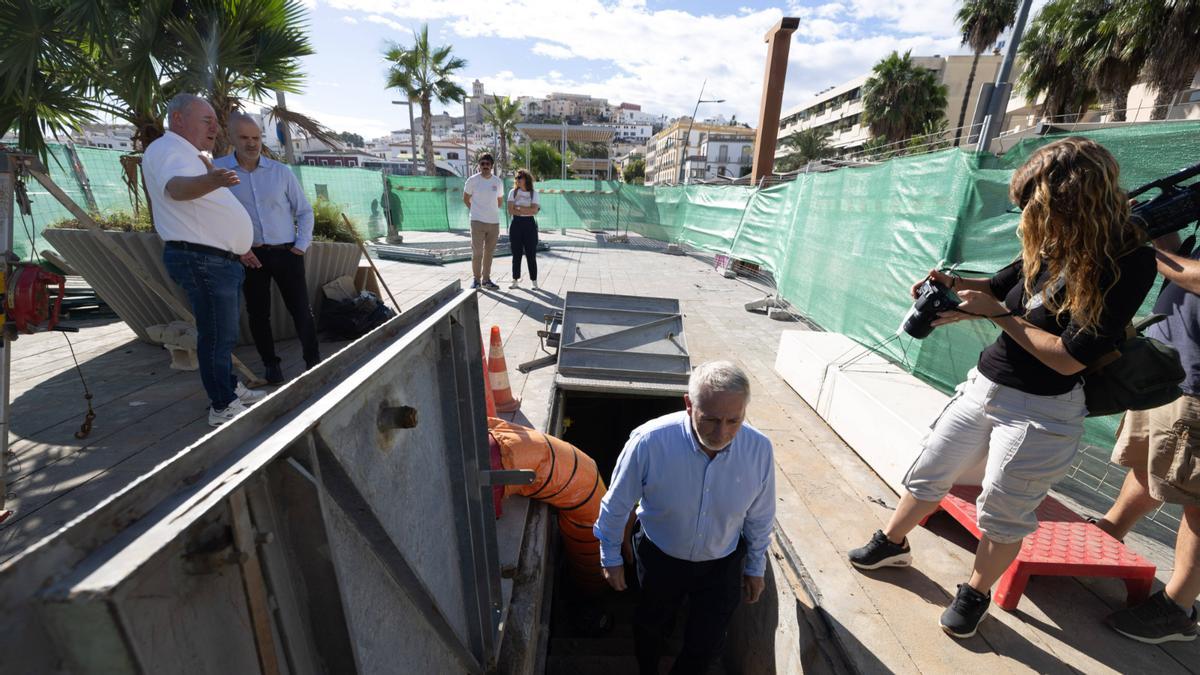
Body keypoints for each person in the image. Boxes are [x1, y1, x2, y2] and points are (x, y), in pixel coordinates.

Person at [847, 137, 1157, 639]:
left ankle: (975, 592)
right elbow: (998, 288)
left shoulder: (1127, 262)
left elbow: (1069, 357)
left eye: (1033, 206)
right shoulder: (1053, 240)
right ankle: (893, 543)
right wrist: (952, 286)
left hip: (1043, 409)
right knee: (929, 471)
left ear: (1069, 202)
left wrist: (998, 316)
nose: (1027, 218)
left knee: (1003, 510)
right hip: (985, 385)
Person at [594, 360, 776, 674]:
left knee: (706, 644)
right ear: (689, 404)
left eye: (734, 420)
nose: (722, 433)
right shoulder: (650, 442)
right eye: (711, 419)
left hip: (721, 565)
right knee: (651, 627)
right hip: (659, 559)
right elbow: (616, 505)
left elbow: (760, 516)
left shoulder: (759, 450)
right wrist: (610, 557)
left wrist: (755, 566)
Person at [1092, 227, 1200, 644]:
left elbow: (1193, 277)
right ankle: (1110, 531)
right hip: (1168, 371)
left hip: (1195, 387)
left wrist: (1149, 253)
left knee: (1196, 499)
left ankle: (1178, 607)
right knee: (1150, 465)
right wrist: (1162, 232)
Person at [142, 93, 265, 427]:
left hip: (217, 258)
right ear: (178, 119)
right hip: (202, 260)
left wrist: (237, 245)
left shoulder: (189, 154)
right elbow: (177, 189)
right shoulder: (168, 149)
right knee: (216, 335)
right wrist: (212, 180)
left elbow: (203, 211)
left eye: (215, 122)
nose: (214, 128)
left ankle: (229, 388)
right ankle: (222, 406)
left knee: (223, 334)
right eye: (206, 120)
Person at [214, 113, 320, 384]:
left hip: (287, 253)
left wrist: (301, 246)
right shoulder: (219, 173)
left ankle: (314, 362)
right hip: (249, 256)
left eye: (256, 138)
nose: (251, 143)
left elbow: (304, 211)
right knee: (258, 314)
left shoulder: (280, 172)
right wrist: (238, 248)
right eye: (244, 137)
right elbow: (215, 216)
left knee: (301, 309)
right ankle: (271, 365)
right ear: (231, 137)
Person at [463, 153, 504, 290]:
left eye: (488, 164)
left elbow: (499, 201)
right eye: (482, 164)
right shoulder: (472, 180)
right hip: (477, 222)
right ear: (479, 165)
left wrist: (490, 211)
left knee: (489, 253)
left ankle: (486, 280)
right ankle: (476, 280)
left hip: (494, 223)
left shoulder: (497, 182)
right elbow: (465, 198)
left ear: (492, 166)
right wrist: (476, 211)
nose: (485, 166)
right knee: (477, 253)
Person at [507, 168, 541, 290]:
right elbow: (510, 210)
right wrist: (526, 210)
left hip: (529, 225)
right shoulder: (513, 192)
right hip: (516, 224)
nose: (517, 179)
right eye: (516, 177)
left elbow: (534, 211)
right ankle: (515, 280)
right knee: (516, 254)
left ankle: (534, 281)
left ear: (526, 179)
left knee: (531, 254)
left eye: (520, 177)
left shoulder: (534, 194)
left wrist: (519, 207)